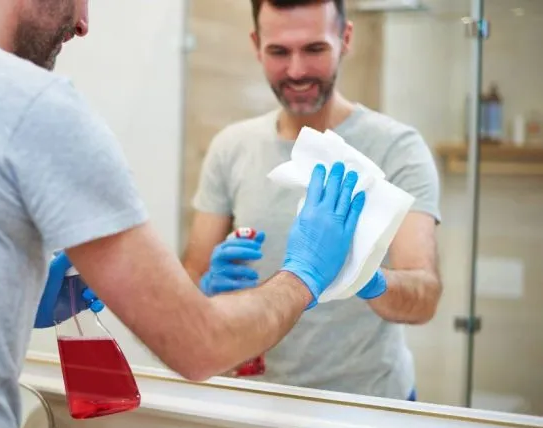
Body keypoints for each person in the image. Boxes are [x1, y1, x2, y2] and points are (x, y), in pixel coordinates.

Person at [0, 0, 376, 428]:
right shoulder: (34, 104)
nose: (84, 22)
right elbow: (200, 347)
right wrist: (304, 273)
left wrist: (18, 287)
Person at [182, 0, 443, 401]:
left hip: (369, 404)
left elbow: (424, 297)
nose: (296, 71)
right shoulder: (231, 147)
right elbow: (191, 278)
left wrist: (364, 276)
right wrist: (205, 291)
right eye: (279, 51)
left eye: (314, 49)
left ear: (345, 38)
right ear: (256, 45)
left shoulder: (397, 147)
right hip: (258, 402)